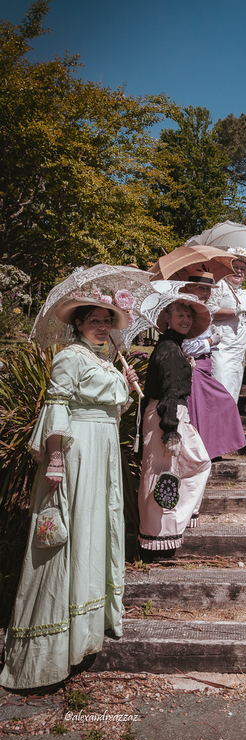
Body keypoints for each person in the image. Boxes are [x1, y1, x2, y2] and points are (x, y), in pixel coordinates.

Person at [1, 294, 138, 690]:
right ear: (78, 324)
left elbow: (111, 410)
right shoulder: (70, 357)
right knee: (72, 533)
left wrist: (126, 388)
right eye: (94, 320)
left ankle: (91, 627)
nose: (102, 326)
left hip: (104, 452)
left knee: (97, 528)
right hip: (77, 454)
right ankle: (54, 644)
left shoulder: (107, 361)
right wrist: (56, 460)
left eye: (107, 321)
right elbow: (57, 406)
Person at [137, 295, 211, 559]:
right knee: (163, 474)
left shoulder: (173, 347)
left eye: (188, 316)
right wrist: (170, 428)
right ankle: (158, 539)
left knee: (197, 462)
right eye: (179, 314)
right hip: (166, 414)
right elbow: (169, 390)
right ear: (167, 318)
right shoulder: (169, 349)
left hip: (172, 412)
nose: (185, 320)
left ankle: (171, 527)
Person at [179, 278, 246, 466]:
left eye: (208, 289)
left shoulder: (203, 312)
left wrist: (211, 337)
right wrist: (209, 342)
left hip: (205, 366)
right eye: (201, 288)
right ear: (190, 287)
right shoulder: (187, 312)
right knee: (213, 405)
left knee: (218, 404)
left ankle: (211, 448)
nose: (206, 293)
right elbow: (187, 347)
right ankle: (203, 450)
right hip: (194, 368)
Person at [210, 247, 246, 403]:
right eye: (235, 267)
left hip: (238, 344)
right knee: (220, 379)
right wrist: (234, 311)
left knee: (234, 382)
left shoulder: (245, 293)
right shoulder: (219, 286)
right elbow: (210, 311)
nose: (239, 271)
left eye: (242, 269)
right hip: (221, 343)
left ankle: (229, 420)